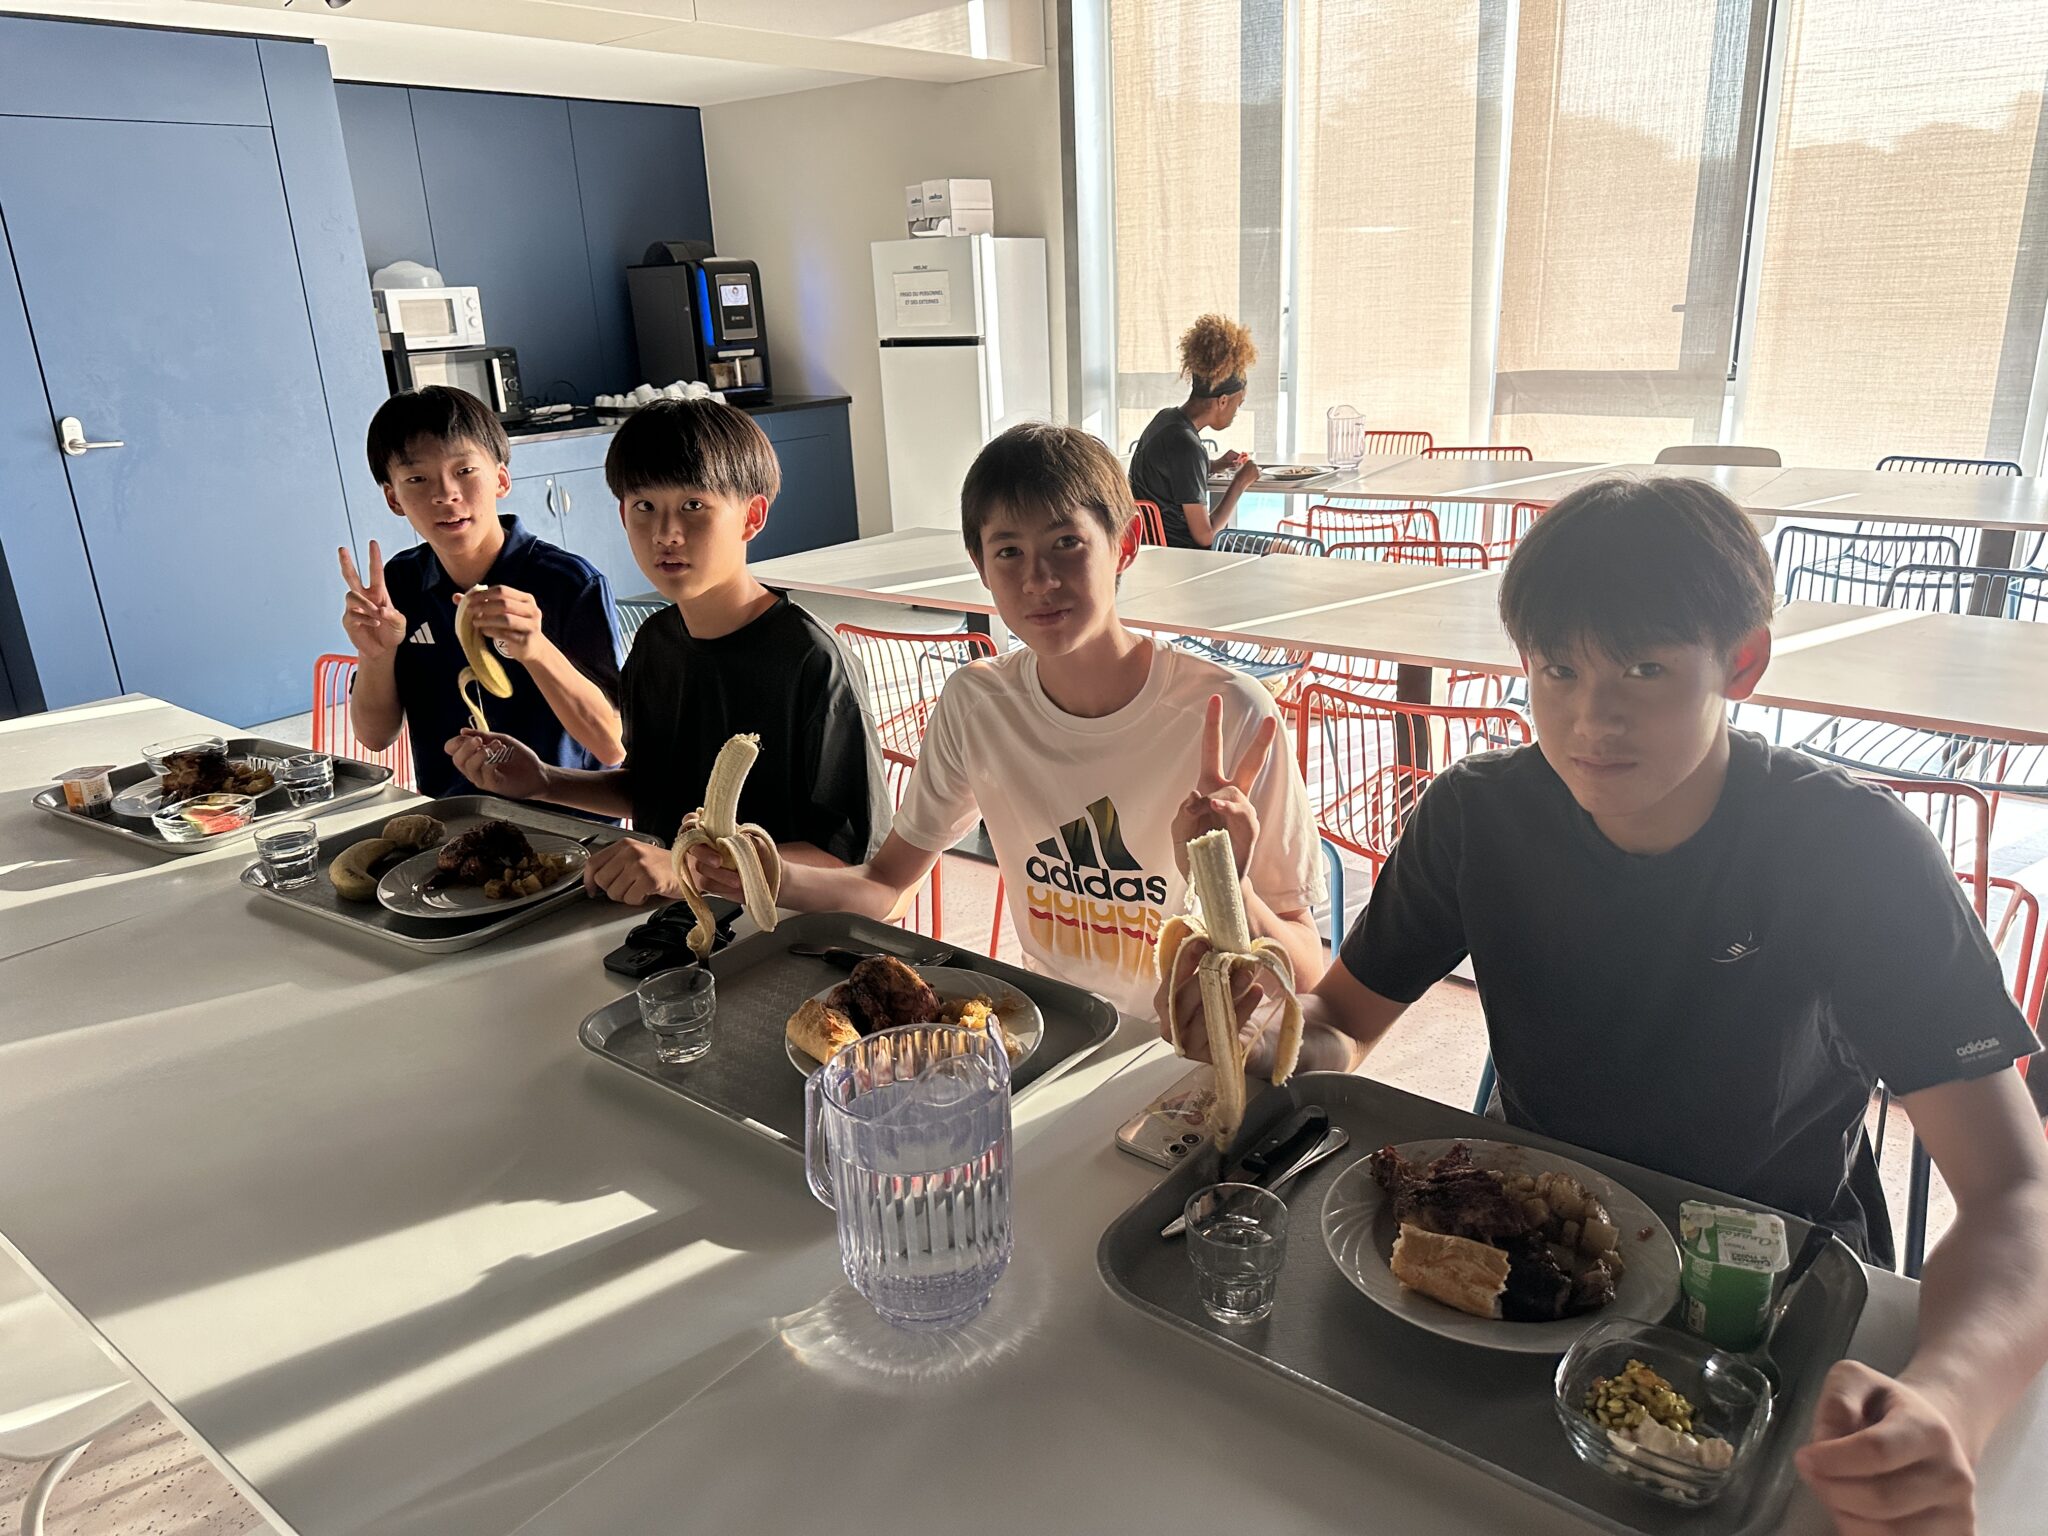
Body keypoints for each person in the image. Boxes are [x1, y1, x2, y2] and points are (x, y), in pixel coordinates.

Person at [1160, 475, 2048, 1534]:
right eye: (1558, 669)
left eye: (1644, 668)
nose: (1591, 719)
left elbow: (2014, 1191)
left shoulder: (1852, 854)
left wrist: (1949, 1402)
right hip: (1524, 1267)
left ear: (1742, 664)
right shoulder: (1477, 818)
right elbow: (1343, 1024)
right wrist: (1258, 1030)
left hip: (1758, 1300)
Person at [685, 421, 1326, 1023]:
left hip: (1196, 1045)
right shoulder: (977, 704)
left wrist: (1229, 884)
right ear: (981, 566)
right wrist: (765, 876)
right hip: (1056, 1030)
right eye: (1010, 551)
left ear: (1125, 544)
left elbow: (1307, 972)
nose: (1038, 580)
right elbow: (886, 885)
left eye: (1067, 543)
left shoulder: (1228, 715)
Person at [447, 397, 887, 905]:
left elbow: (850, 861)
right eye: (645, 508)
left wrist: (689, 867)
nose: (666, 534)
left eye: (693, 506)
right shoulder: (656, 641)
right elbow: (650, 790)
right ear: (623, 514)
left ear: (751, 517)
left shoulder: (812, 660)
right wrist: (544, 781)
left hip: (775, 927)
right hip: (662, 920)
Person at [340, 386, 624, 797]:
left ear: (501, 479)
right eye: (417, 479)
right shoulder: (399, 583)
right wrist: (376, 654)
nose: (445, 494)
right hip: (454, 817)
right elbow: (374, 737)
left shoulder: (570, 583)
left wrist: (536, 649)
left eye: (465, 471)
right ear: (393, 499)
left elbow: (612, 744)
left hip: (566, 820)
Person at [1127, 314, 1263, 549]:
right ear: (1222, 401)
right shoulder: (1187, 445)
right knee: (1286, 550)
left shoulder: (1166, 420)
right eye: (1238, 404)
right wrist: (1241, 482)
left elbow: (1172, 475)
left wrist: (1214, 465)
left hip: (1155, 546)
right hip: (1186, 553)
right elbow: (1205, 537)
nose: (1236, 413)